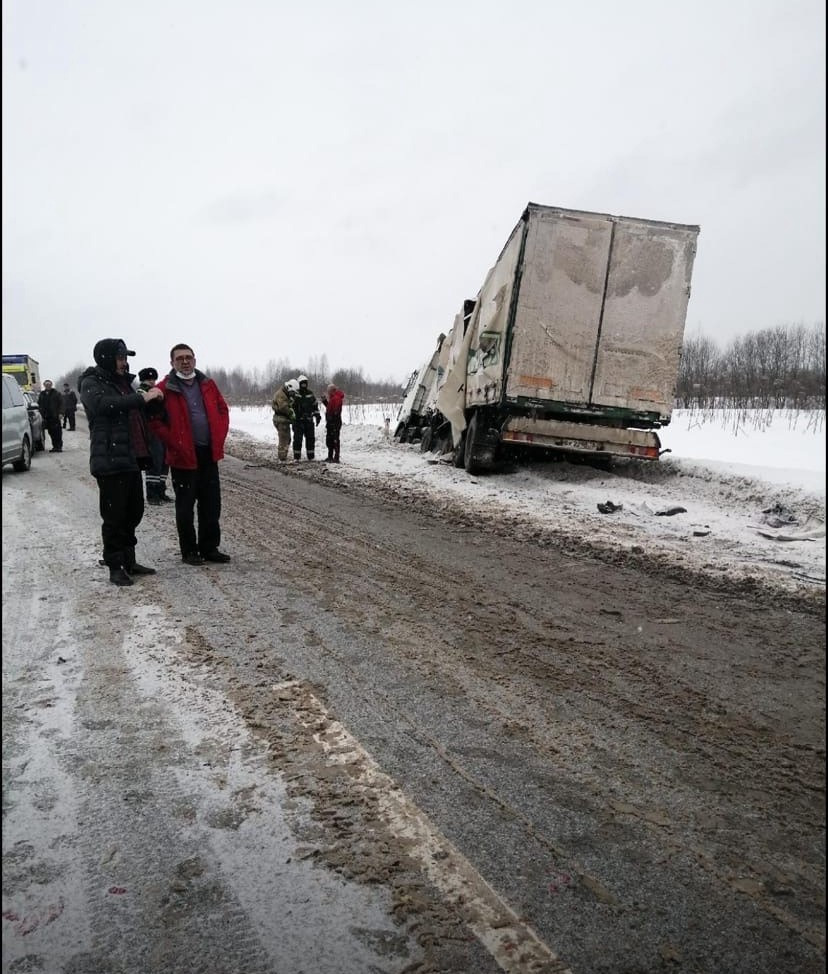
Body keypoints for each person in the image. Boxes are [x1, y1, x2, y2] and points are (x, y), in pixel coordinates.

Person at [78, 339, 164, 586]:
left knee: (133, 512)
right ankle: (115, 566)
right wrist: (143, 398)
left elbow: (136, 411)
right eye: (119, 357)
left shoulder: (125, 383)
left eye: (125, 358)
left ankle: (129, 560)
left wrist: (151, 403)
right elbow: (103, 406)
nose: (124, 362)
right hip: (109, 458)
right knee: (114, 517)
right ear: (105, 358)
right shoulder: (91, 382)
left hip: (131, 458)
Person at [150, 344, 231, 565]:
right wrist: (174, 441)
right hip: (182, 457)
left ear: (194, 359)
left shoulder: (207, 384)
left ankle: (209, 548)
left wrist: (219, 434)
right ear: (172, 363)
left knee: (211, 504)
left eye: (188, 357)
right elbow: (155, 421)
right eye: (180, 359)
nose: (185, 362)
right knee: (185, 506)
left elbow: (223, 410)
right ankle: (189, 551)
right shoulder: (164, 388)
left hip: (208, 454)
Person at [137, 367, 172, 504]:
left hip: (161, 430)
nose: (151, 382)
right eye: (148, 379)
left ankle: (161, 491)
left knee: (164, 461)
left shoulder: (158, 391)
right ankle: (152, 494)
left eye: (153, 379)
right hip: (150, 430)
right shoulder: (142, 392)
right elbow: (143, 407)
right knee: (154, 462)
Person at [291, 375, 321, 461]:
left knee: (310, 439)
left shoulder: (310, 394)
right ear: (299, 384)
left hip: (309, 420)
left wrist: (317, 416)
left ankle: (311, 457)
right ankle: (297, 457)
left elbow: (315, 406)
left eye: (305, 383)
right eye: (302, 384)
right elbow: (291, 407)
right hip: (298, 421)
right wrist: (292, 419)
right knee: (297, 439)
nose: (304, 385)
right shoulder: (295, 394)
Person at [271, 378, 298, 461]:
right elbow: (284, 407)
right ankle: (282, 458)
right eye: (292, 392)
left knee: (287, 438)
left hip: (283, 420)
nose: (292, 394)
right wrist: (291, 414)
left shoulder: (285, 394)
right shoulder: (281, 395)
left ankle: (283, 456)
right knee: (284, 439)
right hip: (281, 420)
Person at [38, 380, 64, 452]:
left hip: (55, 416)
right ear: (44, 385)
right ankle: (55, 446)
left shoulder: (56, 393)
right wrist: (41, 413)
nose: (48, 386)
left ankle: (59, 446)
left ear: (51, 385)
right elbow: (39, 404)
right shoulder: (42, 394)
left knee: (57, 432)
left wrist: (61, 413)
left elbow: (61, 403)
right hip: (46, 417)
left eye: (49, 384)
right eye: (46, 385)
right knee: (51, 432)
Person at [321, 383, 344, 463]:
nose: (327, 393)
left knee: (335, 439)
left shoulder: (336, 398)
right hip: (331, 422)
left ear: (332, 391)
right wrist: (325, 402)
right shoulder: (332, 398)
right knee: (329, 439)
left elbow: (336, 410)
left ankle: (336, 457)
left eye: (328, 391)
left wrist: (333, 417)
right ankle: (330, 456)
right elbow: (330, 408)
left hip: (335, 422)